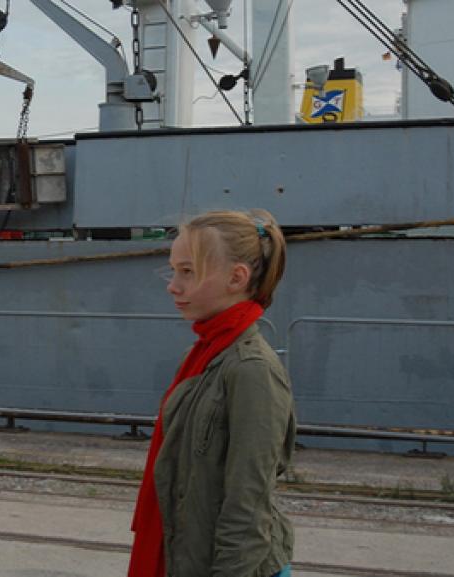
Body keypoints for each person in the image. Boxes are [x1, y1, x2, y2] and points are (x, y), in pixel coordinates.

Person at [128, 209, 296, 577]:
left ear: (237, 278)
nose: (173, 285)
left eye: (188, 272)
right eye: (173, 271)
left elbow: (248, 506)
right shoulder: (205, 353)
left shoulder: (251, 370)